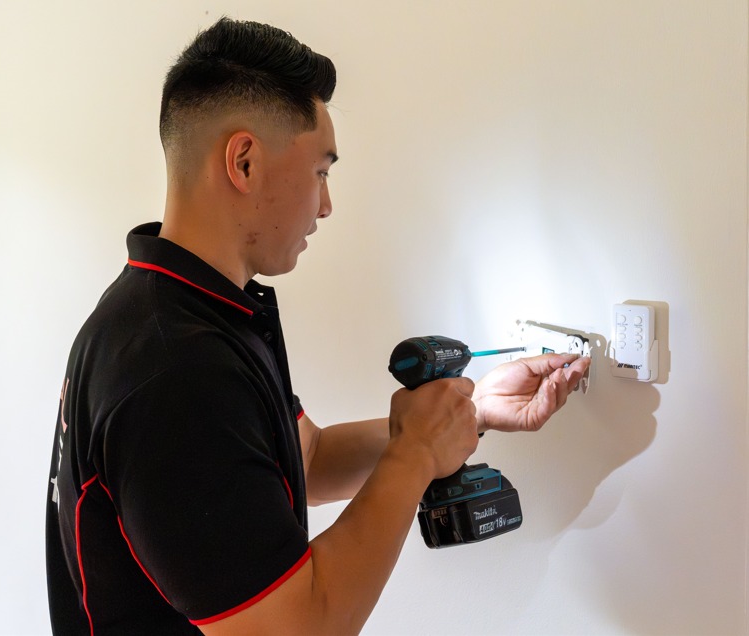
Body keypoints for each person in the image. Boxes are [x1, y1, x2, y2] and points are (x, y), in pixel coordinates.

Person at [45, 17, 590, 635]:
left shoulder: (179, 311)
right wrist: (413, 455)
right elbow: (300, 627)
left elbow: (306, 460)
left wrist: (469, 412)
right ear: (244, 161)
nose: (326, 204)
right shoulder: (175, 369)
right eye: (321, 171)